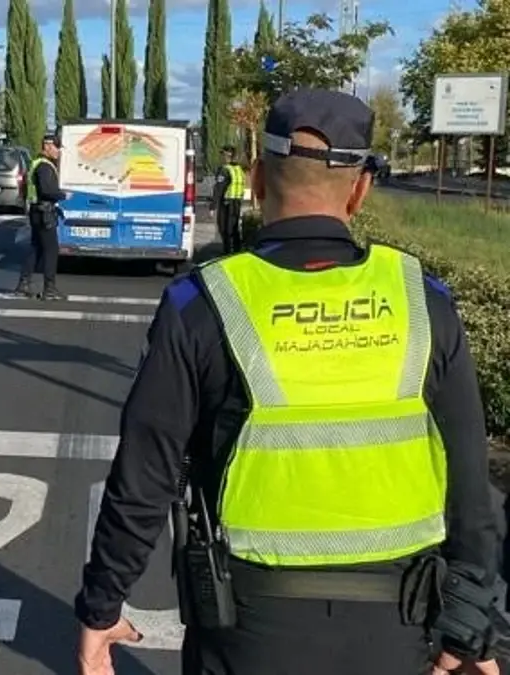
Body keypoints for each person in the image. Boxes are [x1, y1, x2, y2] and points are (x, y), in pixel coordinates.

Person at [74, 88, 501, 675]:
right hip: (398, 631)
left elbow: (144, 475)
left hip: (246, 630)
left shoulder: (202, 303)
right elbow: (470, 482)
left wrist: (102, 606)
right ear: (360, 189)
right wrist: (469, 629)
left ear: (255, 180)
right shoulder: (422, 301)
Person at [15, 133, 65, 300]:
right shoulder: (44, 166)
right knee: (51, 250)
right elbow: (47, 190)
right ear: (49, 147)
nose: (59, 152)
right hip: (44, 212)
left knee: (36, 247)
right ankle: (49, 289)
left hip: (36, 210)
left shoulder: (36, 162)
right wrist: (64, 195)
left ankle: (23, 283)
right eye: (57, 148)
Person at [211, 145, 248, 254]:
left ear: (228, 155)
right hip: (237, 202)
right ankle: (236, 251)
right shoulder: (239, 169)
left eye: (222, 154)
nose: (221, 157)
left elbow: (219, 188)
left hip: (226, 203)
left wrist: (213, 206)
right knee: (234, 229)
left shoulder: (224, 170)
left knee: (224, 228)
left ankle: (227, 252)